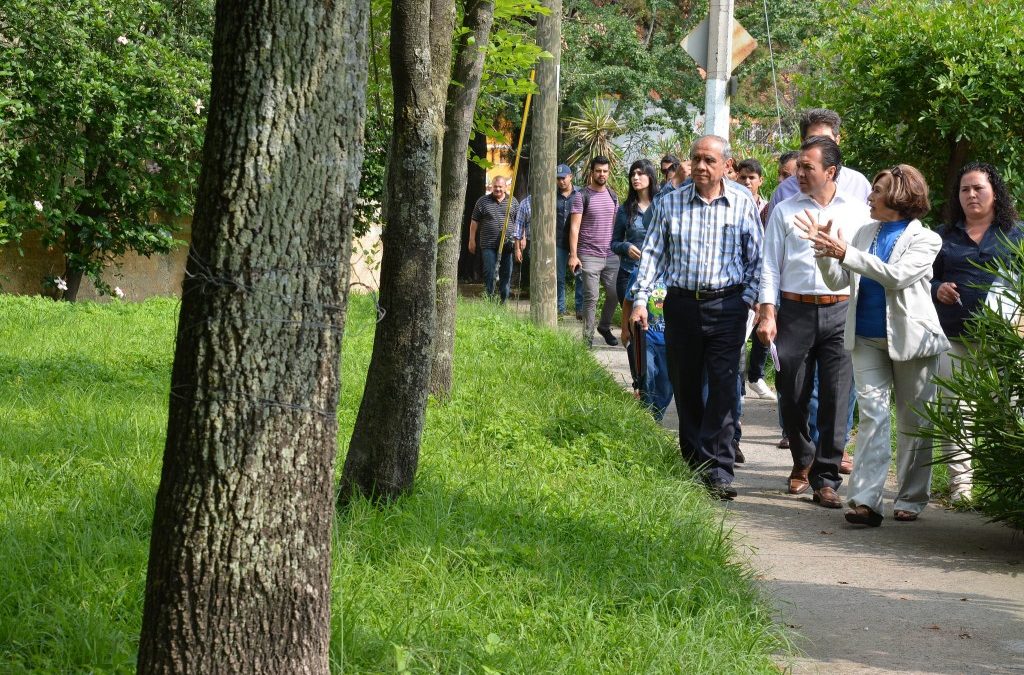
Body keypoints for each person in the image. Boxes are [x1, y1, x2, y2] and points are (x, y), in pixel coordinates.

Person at [801, 164, 949, 526]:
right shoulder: (865, 231)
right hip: (865, 338)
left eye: (879, 190)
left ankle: (911, 498)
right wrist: (824, 251)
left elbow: (895, 277)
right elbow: (839, 279)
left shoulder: (926, 238)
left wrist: (845, 252)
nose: (870, 195)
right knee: (872, 416)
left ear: (900, 196)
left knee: (915, 423)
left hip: (913, 342)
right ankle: (866, 502)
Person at [631, 135, 763, 500]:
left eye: (709, 160)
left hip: (727, 307)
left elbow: (757, 259)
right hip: (683, 305)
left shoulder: (742, 203)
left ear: (726, 165)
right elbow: (653, 254)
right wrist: (640, 300)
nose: (701, 166)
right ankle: (693, 462)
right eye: (696, 159)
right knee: (686, 385)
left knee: (723, 387)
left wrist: (748, 301)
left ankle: (719, 469)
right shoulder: (669, 204)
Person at [757, 136, 869, 508]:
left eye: (808, 167)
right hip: (794, 310)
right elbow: (769, 264)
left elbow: (864, 263)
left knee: (837, 396)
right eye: (799, 166)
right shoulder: (785, 210)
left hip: (841, 309)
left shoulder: (857, 211)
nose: (799, 173)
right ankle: (802, 459)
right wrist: (767, 311)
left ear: (830, 171)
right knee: (791, 390)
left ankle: (826, 476)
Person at [932, 162, 1024, 504]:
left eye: (978, 188)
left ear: (995, 193)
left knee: (1010, 412)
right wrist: (938, 288)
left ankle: (1007, 490)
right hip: (954, 339)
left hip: (1004, 342)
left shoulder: (1017, 234)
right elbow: (924, 279)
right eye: (964, 189)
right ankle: (962, 489)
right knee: (956, 414)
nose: (971, 195)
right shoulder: (943, 236)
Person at [763, 109, 872, 225]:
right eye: (813, 139)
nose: (820, 146)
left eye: (826, 140)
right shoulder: (784, 192)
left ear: (838, 140)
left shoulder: (859, 184)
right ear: (802, 141)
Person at [568, 156, 620, 347]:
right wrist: (573, 255)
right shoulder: (582, 196)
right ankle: (587, 339)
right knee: (591, 298)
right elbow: (575, 227)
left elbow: (616, 225)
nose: (602, 174)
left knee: (615, 294)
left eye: (605, 171)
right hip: (589, 254)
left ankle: (604, 326)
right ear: (592, 172)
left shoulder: (613, 196)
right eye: (598, 170)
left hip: (611, 255)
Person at [621, 265, 672, 420]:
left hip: (670, 341)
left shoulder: (677, 274)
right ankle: (646, 414)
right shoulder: (639, 273)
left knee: (666, 385)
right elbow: (628, 302)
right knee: (647, 372)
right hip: (646, 336)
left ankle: (656, 418)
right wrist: (625, 330)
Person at [612, 159, 658, 305]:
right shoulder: (625, 210)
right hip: (629, 273)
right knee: (630, 326)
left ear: (650, 176)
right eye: (632, 174)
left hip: (657, 276)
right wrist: (626, 247)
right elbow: (614, 243)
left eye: (640, 173)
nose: (635, 178)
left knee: (655, 325)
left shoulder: (662, 205)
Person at [469, 176, 519, 302]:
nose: (498, 189)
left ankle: (503, 301)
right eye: (495, 186)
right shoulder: (482, 201)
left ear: (505, 187)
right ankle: (489, 301)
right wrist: (471, 240)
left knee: (506, 274)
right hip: (488, 244)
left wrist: (521, 238)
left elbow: (519, 222)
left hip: (508, 244)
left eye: (500, 187)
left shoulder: (513, 201)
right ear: (491, 187)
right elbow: (474, 221)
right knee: (489, 273)